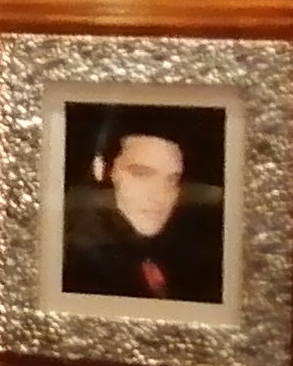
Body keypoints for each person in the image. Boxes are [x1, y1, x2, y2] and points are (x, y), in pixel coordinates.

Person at [58, 115, 224, 301]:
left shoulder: (153, 250)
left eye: (172, 180)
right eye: (142, 174)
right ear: (101, 169)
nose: (160, 196)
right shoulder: (82, 263)